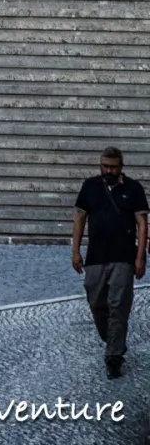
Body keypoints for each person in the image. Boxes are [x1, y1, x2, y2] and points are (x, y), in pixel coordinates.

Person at [73, 146, 148, 378]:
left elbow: (142, 224)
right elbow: (80, 218)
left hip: (123, 256)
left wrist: (140, 256)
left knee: (118, 306)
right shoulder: (90, 187)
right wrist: (75, 250)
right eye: (105, 166)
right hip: (96, 255)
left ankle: (113, 356)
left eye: (113, 167)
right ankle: (114, 339)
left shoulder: (134, 189)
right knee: (96, 302)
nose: (108, 170)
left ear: (121, 167)